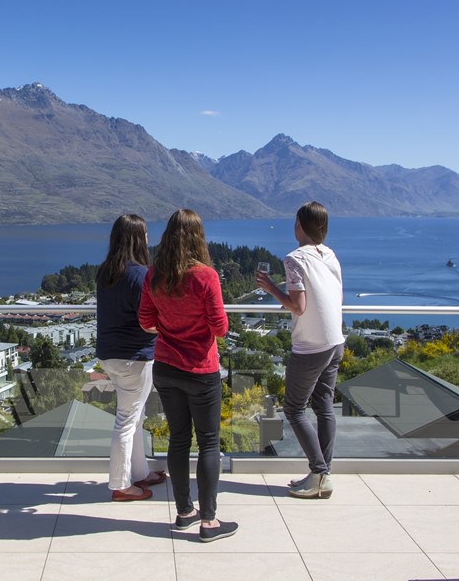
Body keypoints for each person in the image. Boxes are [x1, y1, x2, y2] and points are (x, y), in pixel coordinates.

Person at [138, 209, 237, 542]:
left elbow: (145, 321)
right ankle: (209, 522)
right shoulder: (205, 277)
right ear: (199, 237)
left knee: (179, 439)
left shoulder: (155, 275)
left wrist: (171, 327)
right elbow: (220, 328)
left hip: (165, 366)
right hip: (200, 370)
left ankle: (184, 513)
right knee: (208, 441)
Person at [256, 201, 344, 499]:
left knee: (294, 408)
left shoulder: (295, 259)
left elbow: (298, 306)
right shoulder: (330, 254)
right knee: (324, 407)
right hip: (335, 341)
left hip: (310, 346)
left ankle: (319, 472)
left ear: (300, 225)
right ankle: (323, 474)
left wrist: (270, 288)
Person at [96, 214, 165, 502]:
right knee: (126, 420)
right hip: (134, 358)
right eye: (146, 234)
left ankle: (140, 472)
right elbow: (148, 320)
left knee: (134, 417)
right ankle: (121, 485)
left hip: (109, 355)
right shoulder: (141, 275)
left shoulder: (105, 273)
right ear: (140, 239)